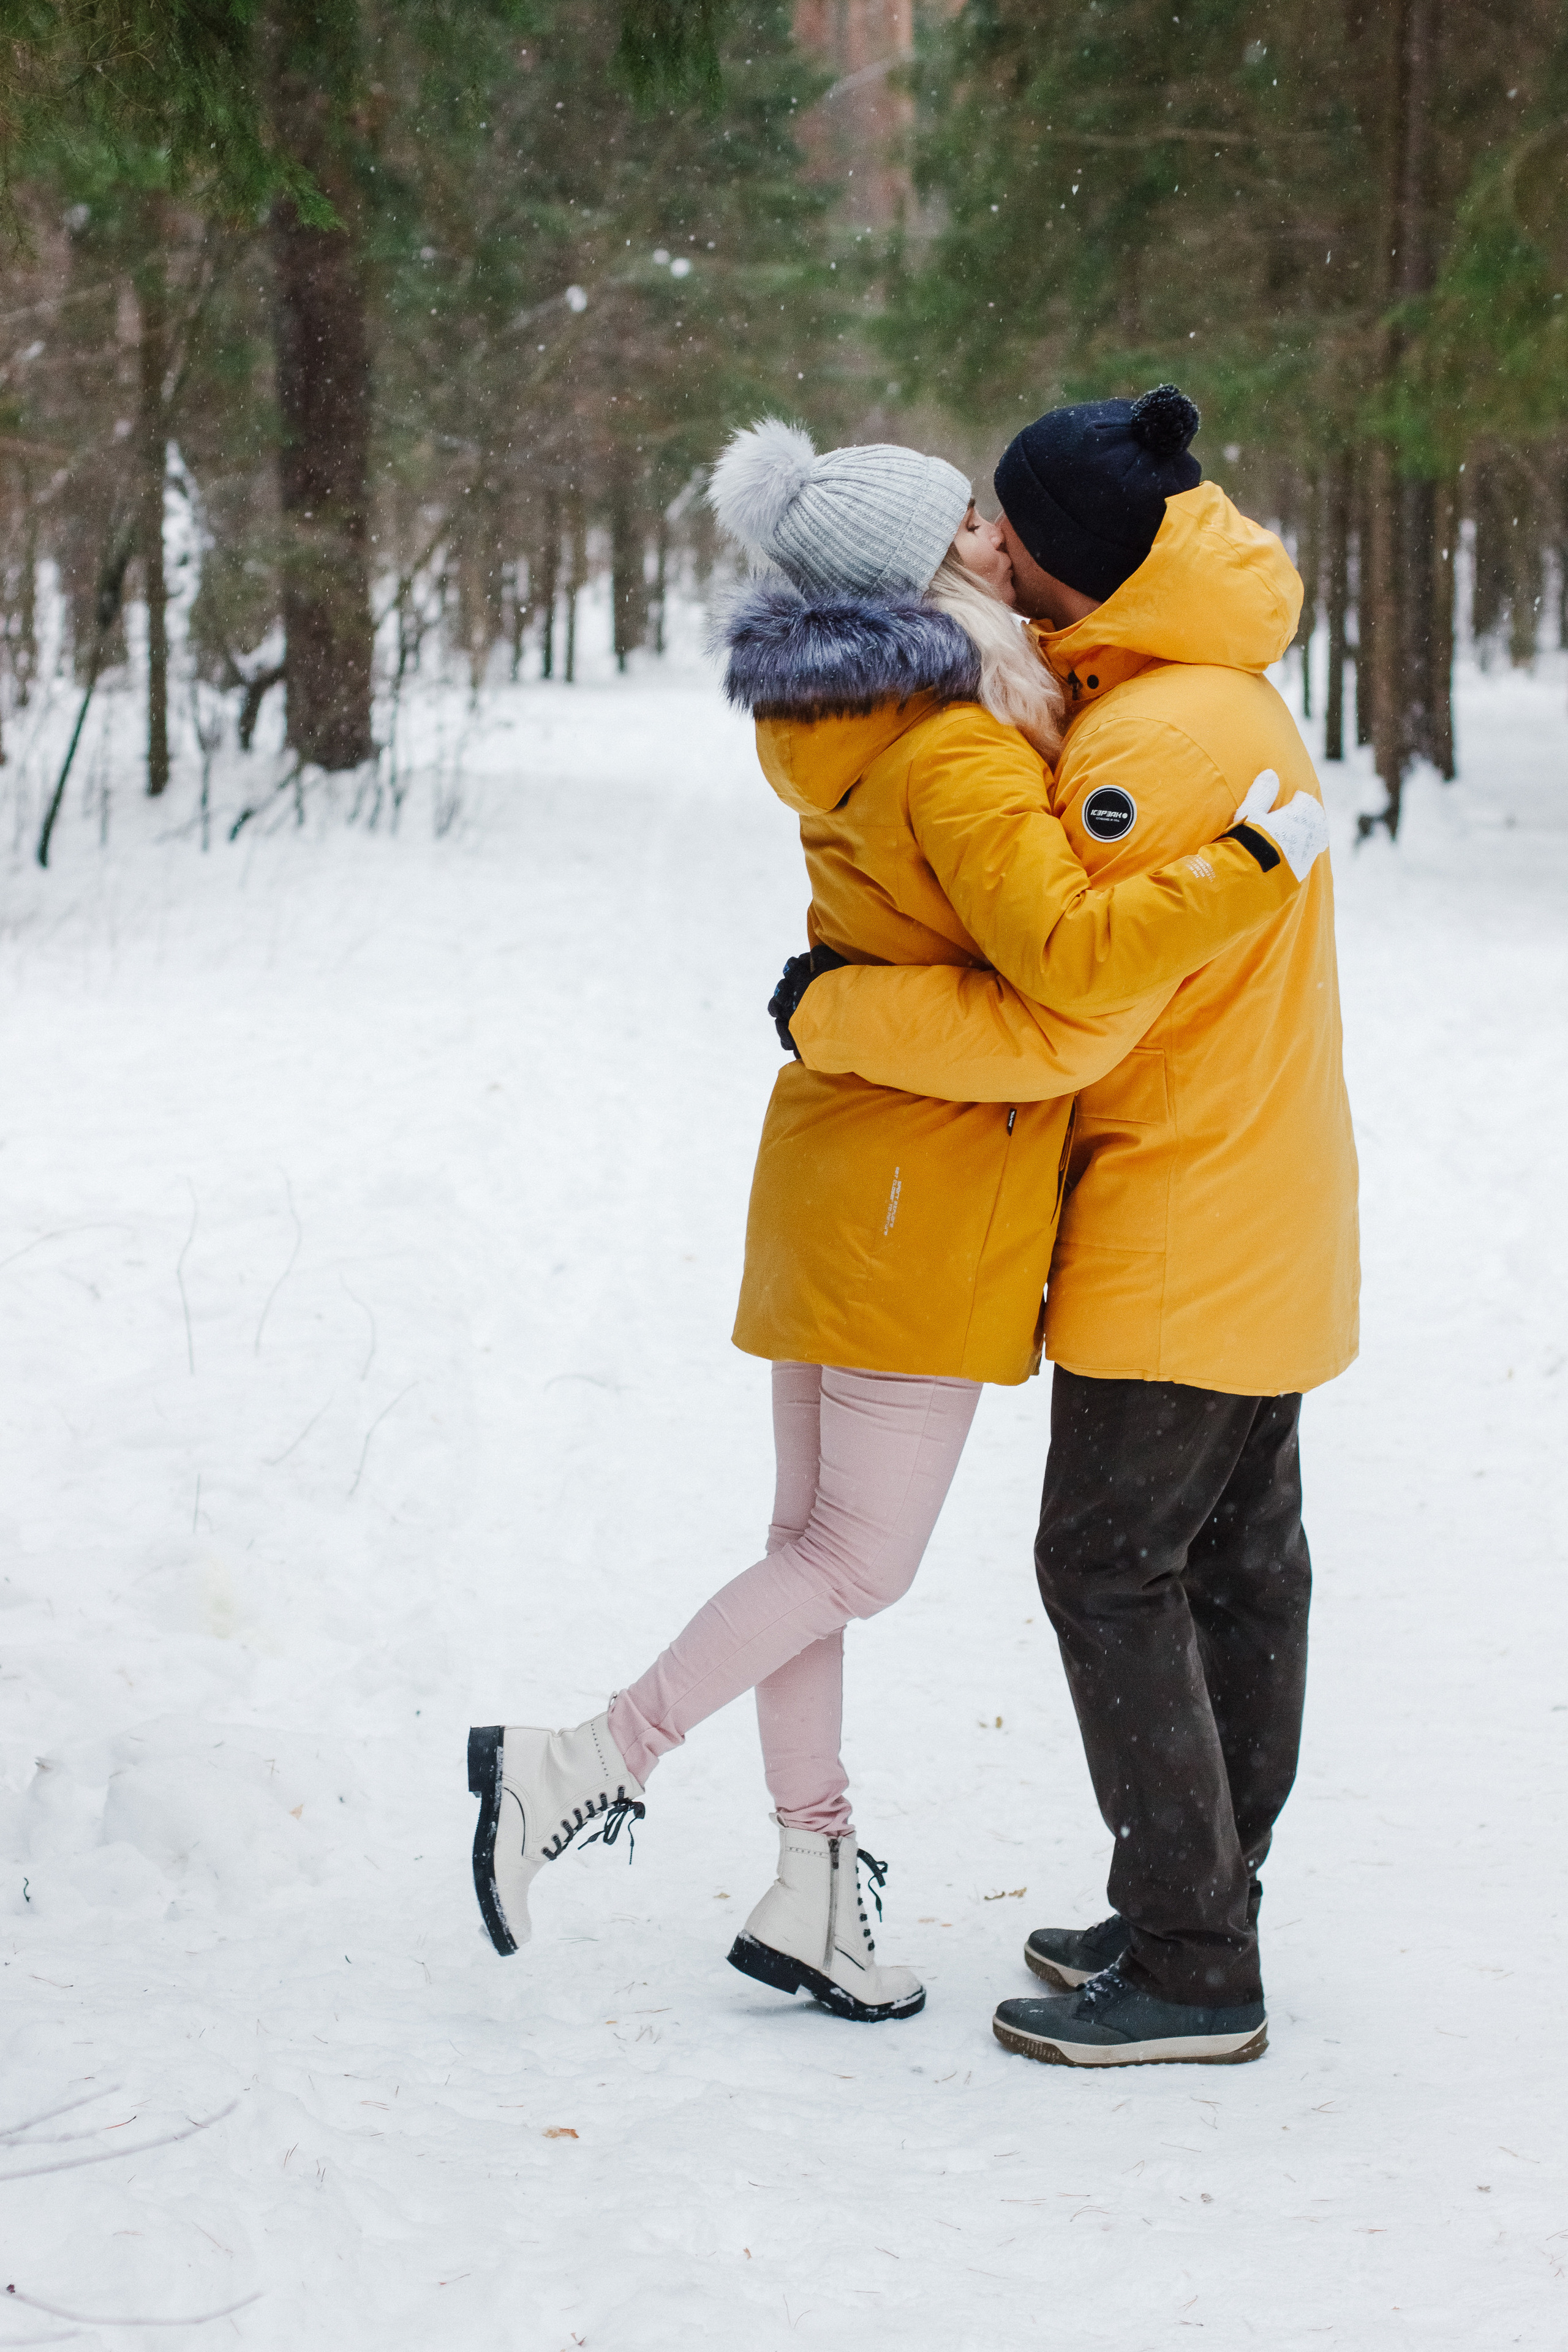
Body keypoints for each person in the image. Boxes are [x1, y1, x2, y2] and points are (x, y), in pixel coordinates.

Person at [467, 413, 1329, 2027]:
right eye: (978, 531)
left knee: (812, 1554)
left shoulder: (864, 715)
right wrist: (1250, 866)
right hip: (916, 1189)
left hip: (836, 1166)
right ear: (936, 574)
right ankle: (580, 1763)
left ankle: (812, 1886)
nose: (1009, 543)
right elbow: (1074, 971)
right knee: (856, 1560)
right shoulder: (953, 743)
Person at [782, 385, 1359, 2065]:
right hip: (1254, 1207)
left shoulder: (1149, 746)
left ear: (1076, 572)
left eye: (1010, 539)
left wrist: (837, 1011)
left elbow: (1068, 1015)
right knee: (1238, 1569)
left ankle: (1193, 1964)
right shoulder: (1192, 697)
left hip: (1178, 1225)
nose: (990, 553)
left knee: (1107, 1566)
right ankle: (1203, 1895)